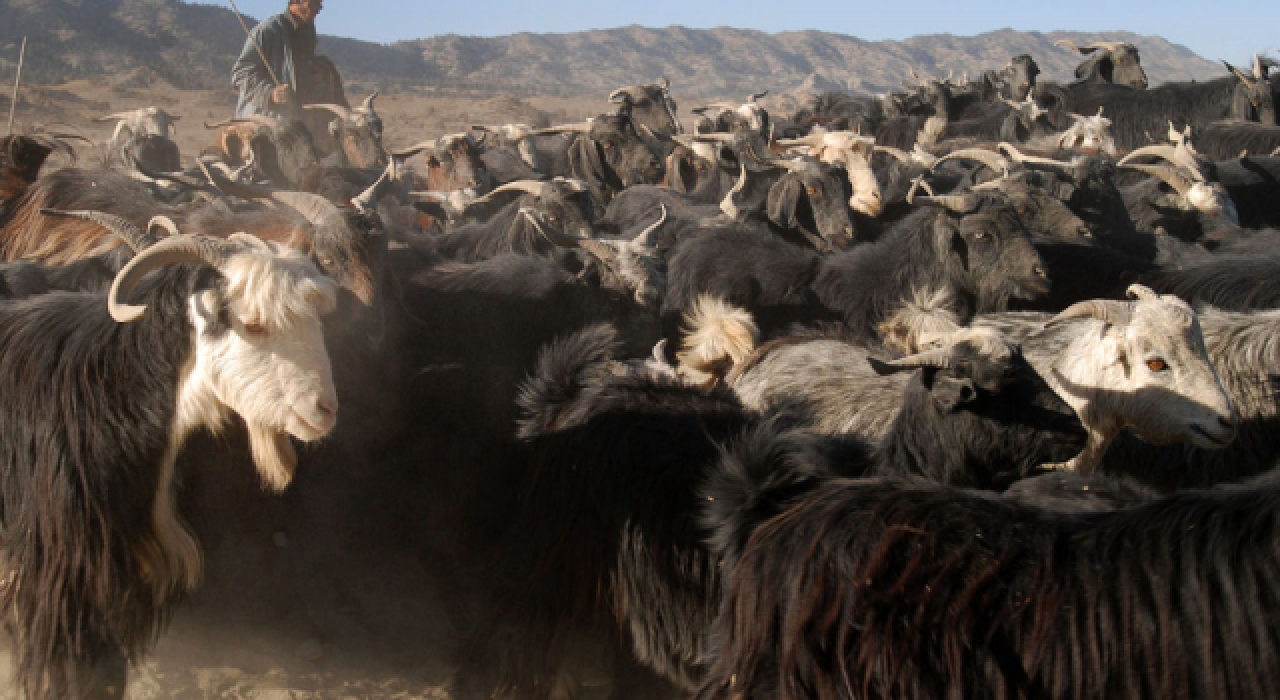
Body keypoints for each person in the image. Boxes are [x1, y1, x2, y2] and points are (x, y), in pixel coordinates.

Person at [232, 0, 339, 119]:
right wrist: (271, 93)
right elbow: (241, 74)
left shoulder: (307, 34)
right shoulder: (267, 31)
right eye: (314, 2)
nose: (319, 8)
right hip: (261, 122)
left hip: (294, 122)